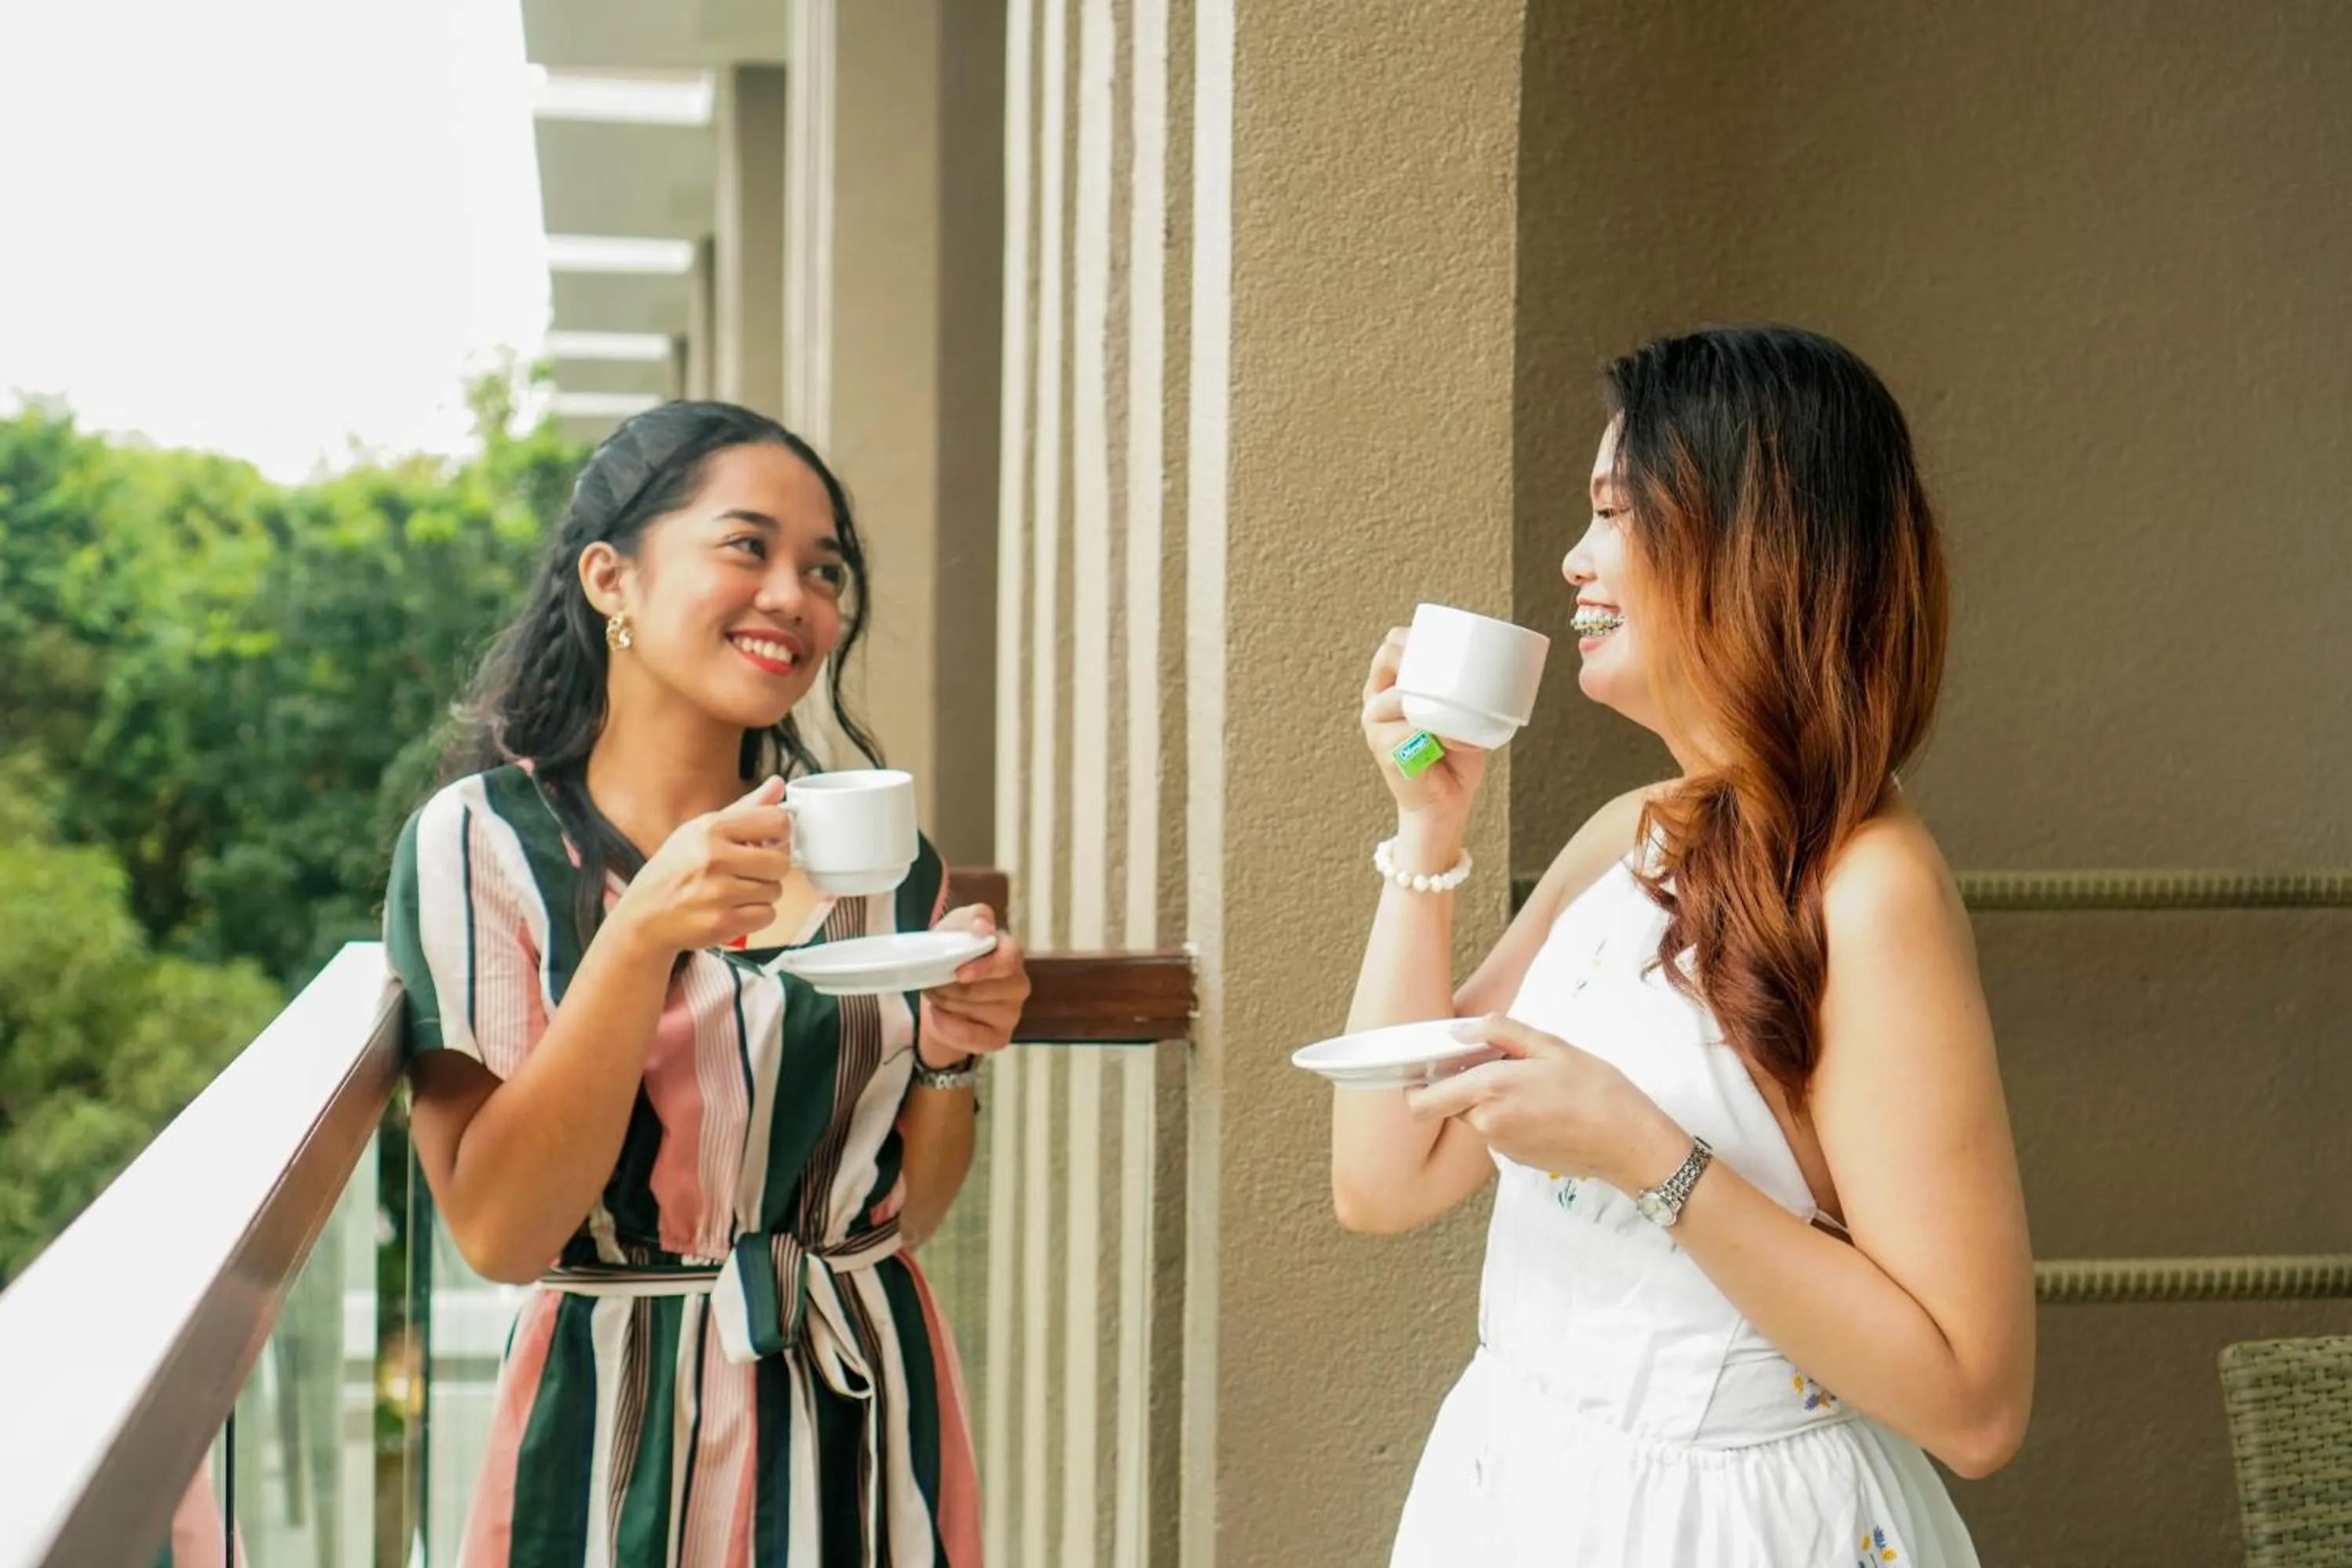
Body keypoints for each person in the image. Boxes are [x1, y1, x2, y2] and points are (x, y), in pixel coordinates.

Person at [1341, 328, 2033, 1566]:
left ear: (1749, 547)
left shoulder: (1871, 892)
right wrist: (1427, 830)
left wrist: (1642, 1153)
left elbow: (1976, 1406)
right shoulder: (1630, 834)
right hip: (1513, 1490)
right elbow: (1381, 1179)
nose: (1575, 557)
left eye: (1614, 513)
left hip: (1729, 1529)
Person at [384, 401, 1025, 1566]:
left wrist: (951, 1054)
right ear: (609, 580)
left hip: (862, 1408)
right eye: (748, 547)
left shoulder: (877, 859)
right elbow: (501, 1228)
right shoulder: (485, 845)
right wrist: (639, 942)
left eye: (823, 570)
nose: (795, 596)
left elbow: (910, 1213)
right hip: (614, 1427)